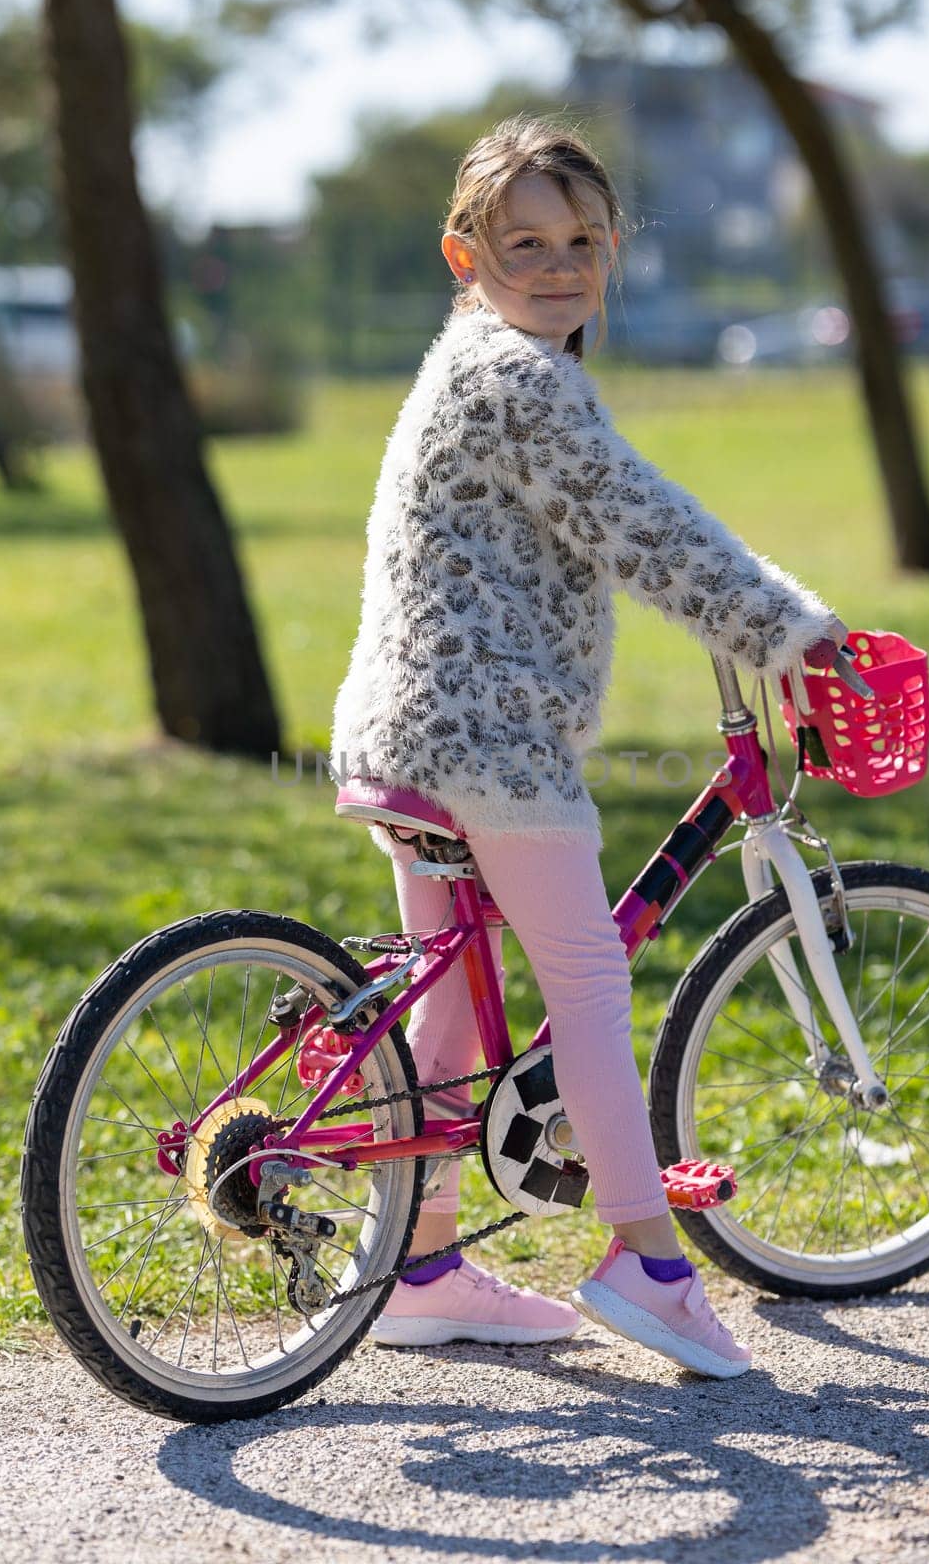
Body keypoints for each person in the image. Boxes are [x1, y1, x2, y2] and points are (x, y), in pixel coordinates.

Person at [330, 115, 845, 1379]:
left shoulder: (480, 366)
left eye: (581, 240)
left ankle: (420, 1265)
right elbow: (639, 524)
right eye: (524, 244)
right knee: (588, 991)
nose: (557, 265)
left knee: (448, 1006)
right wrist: (791, 632)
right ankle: (649, 1266)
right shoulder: (514, 379)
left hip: (404, 728)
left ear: (609, 247)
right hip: (488, 737)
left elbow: (590, 521)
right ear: (466, 254)